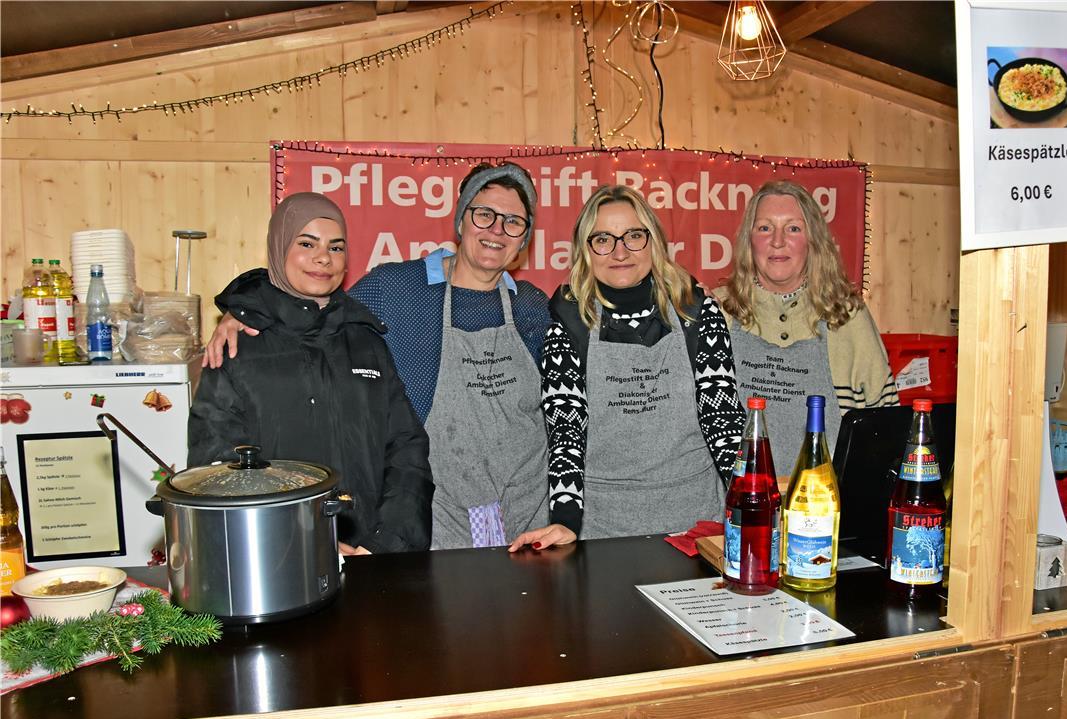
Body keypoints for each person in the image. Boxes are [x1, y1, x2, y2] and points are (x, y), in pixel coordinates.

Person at [204, 163, 559, 551]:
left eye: (513, 222)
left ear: (525, 237)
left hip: (527, 512)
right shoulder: (394, 288)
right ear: (461, 220)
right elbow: (317, 308)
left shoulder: (532, 307)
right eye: (485, 214)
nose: (496, 230)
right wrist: (245, 310)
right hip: (439, 512)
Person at [188, 192, 433, 554]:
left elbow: (406, 451)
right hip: (277, 565)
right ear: (278, 247)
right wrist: (310, 547)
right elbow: (219, 475)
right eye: (307, 243)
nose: (324, 258)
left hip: (371, 561)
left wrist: (384, 543)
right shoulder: (238, 346)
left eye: (336, 247)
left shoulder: (367, 342)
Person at [510, 185, 745, 547]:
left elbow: (723, 418)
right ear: (585, 249)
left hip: (697, 527)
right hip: (601, 531)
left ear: (653, 241)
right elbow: (565, 428)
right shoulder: (569, 317)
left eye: (633, 236)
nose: (620, 252)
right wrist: (565, 520)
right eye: (603, 239)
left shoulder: (695, 308)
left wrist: (749, 502)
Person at [717, 179, 899, 477]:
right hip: (739, 506)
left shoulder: (848, 316)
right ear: (748, 240)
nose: (777, 241)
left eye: (793, 228)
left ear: (813, 240)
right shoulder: (720, 312)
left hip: (825, 506)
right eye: (765, 228)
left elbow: (887, 426)